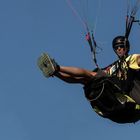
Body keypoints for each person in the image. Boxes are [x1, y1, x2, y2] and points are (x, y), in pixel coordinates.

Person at [37, 35, 140, 123]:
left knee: (91, 75)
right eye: (116, 47)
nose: (119, 49)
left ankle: (57, 67)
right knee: (84, 80)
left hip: (131, 104)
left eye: (121, 46)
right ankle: (55, 72)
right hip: (120, 105)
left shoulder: (133, 58)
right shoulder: (113, 67)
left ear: (127, 47)